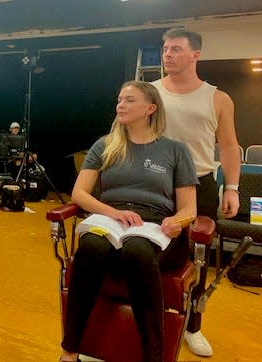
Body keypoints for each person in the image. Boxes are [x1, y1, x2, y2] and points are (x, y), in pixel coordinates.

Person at [59, 81, 198, 362]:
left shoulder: (175, 151)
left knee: (137, 249)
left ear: (150, 108)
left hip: (154, 226)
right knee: (90, 248)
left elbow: (189, 208)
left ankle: (153, 356)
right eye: (120, 99)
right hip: (110, 219)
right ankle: (70, 350)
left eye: (130, 100)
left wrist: (175, 221)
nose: (120, 105)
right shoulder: (105, 145)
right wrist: (113, 213)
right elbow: (79, 194)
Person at [152, 27, 240, 357]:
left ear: (195, 55)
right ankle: (152, 316)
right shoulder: (151, 93)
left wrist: (231, 188)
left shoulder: (218, 98)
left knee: (197, 260)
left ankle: (194, 326)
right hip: (155, 183)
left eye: (175, 49)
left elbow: (229, 146)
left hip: (200, 184)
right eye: (165, 49)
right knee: (152, 252)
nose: (168, 54)